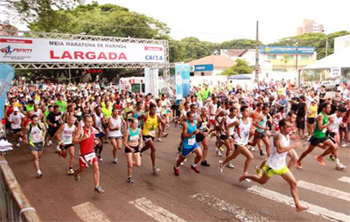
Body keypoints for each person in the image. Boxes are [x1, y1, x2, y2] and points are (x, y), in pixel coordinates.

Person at [240, 119, 308, 212]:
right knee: (261, 181)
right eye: (288, 126)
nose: (290, 128)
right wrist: (293, 146)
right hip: (271, 166)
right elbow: (279, 150)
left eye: (290, 126)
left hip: (282, 166)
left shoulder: (286, 135)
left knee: (293, 183)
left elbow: (287, 139)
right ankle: (246, 175)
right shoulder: (277, 136)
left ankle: (298, 205)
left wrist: (293, 138)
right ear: (282, 127)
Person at [297, 103, 346, 170]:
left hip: (323, 136)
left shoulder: (326, 116)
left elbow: (323, 122)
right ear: (324, 108)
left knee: (334, 147)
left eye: (330, 108)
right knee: (308, 151)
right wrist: (329, 123)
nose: (330, 109)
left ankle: (320, 157)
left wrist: (330, 127)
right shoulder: (321, 116)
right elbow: (320, 127)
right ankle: (299, 160)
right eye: (328, 108)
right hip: (317, 136)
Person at [219, 105, 254, 181]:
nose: (248, 112)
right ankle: (245, 174)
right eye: (246, 111)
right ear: (242, 112)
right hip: (238, 143)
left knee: (233, 156)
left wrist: (251, 131)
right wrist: (229, 137)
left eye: (249, 111)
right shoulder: (238, 121)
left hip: (244, 142)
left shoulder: (250, 121)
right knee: (250, 157)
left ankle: (222, 163)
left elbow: (249, 130)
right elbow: (228, 126)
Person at [73, 114, 104, 194]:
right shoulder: (81, 130)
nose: (90, 123)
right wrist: (83, 138)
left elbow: (94, 138)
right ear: (84, 122)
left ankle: (97, 186)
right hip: (83, 154)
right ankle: (76, 172)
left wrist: (96, 141)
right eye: (88, 122)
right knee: (82, 169)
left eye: (91, 122)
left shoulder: (93, 129)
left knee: (96, 168)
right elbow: (74, 140)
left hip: (91, 152)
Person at [174, 111, 203, 176]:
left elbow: (196, 129)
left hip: (194, 143)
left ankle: (194, 165)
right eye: (191, 117)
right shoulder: (186, 124)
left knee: (200, 155)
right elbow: (184, 135)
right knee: (182, 158)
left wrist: (199, 132)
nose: (193, 118)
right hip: (187, 144)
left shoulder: (195, 123)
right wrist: (193, 133)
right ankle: (176, 167)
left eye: (194, 117)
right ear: (188, 117)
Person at [140, 103, 166, 174]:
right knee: (153, 148)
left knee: (147, 147)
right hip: (145, 133)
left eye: (155, 109)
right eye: (152, 109)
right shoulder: (146, 116)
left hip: (152, 134)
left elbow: (164, 123)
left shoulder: (157, 117)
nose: (154, 111)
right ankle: (154, 167)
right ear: (149, 109)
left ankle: (140, 151)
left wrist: (163, 131)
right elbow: (137, 119)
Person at [123, 118, 142, 184]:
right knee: (130, 165)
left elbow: (141, 138)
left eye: (137, 123)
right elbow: (124, 143)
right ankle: (129, 177)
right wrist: (130, 149)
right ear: (131, 123)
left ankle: (130, 163)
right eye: (135, 123)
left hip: (136, 147)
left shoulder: (139, 130)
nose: (136, 125)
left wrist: (141, 144)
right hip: (129, 148)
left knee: (138, 164)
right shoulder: (128, 131)